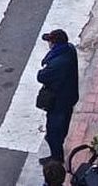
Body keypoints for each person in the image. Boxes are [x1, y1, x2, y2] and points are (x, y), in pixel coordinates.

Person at [36, 28, 81, 167]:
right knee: (60, 128)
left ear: (54, 44)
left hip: (59, 102)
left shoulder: (58, 63)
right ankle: (57, 150)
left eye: (50, 41)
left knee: (54, 132)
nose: (48, 44)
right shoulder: (70, 49)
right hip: (68, 97)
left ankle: (56, 158)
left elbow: (41, 76)